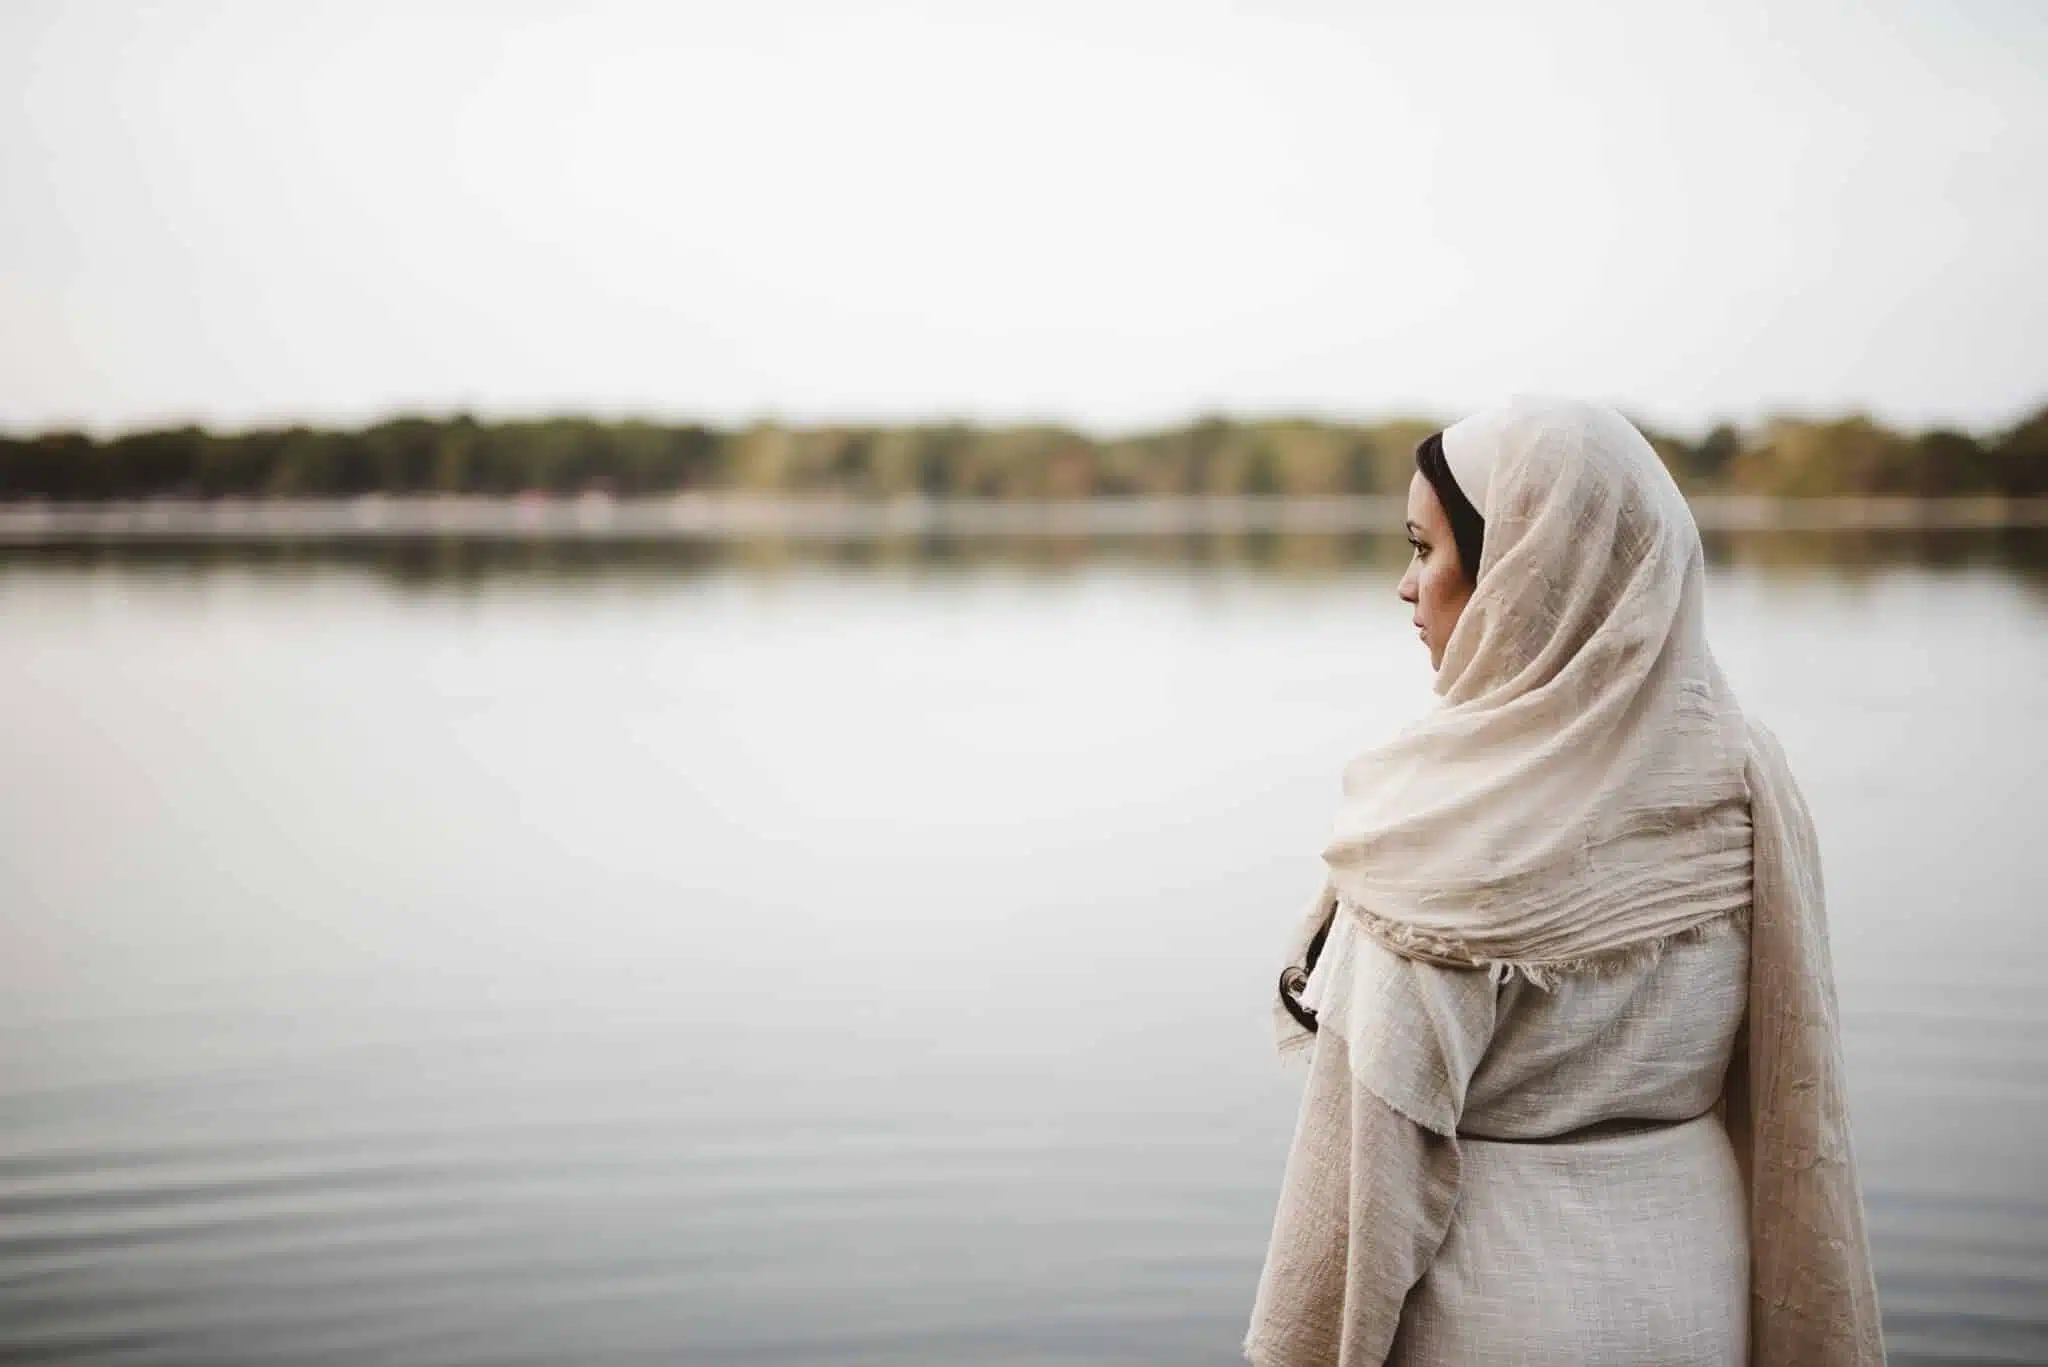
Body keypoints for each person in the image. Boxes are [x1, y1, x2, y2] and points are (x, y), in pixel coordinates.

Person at [1244, 397, 1886, 1367]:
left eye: (1423, 548)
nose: (1404, 586)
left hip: (1490, 1300)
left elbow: (1362, 1186)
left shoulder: (1443, 823)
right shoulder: (1739, 769)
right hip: (1693, 1281)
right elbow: (1789, 1070)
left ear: (1519, 570)